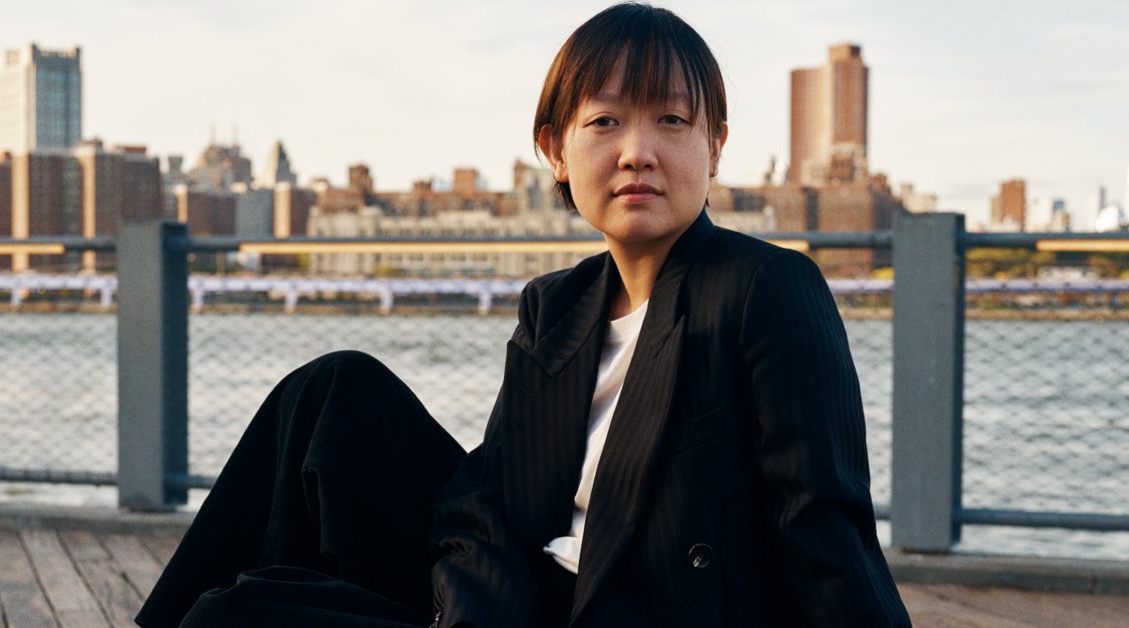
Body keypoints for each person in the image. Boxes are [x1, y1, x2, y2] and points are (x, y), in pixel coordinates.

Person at [137, 3, 911, 627]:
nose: (638, 151)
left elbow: (823, 525)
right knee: (334, 393)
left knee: (241, 619)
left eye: (672, 121)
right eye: (604, 122)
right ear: (555, 151)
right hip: (516, 607)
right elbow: (489, 499)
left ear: (715, 146)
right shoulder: (557, 305)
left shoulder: (763, 287)